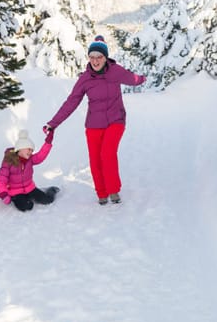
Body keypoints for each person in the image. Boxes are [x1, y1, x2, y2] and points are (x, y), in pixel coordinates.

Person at [43, 35, 146, 205]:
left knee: (107, 153)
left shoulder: (116, 71)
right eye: (92, 57)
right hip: (94, 124)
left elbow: (133, 79)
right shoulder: (85, 78)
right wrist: (53, 123)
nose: (95, 61)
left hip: (116, 120)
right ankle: (102, 193)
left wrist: (143, 78)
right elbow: (71, 102)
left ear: (106, 58)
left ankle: (113, 190)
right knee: (95, 159)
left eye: (99, 57)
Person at [0, 129, 59, 212]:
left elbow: (40, 156)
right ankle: (20, 198)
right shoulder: (8, 162)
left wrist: (48, 142)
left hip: (29, 188)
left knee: (47, 200)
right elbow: (1, 179)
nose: (31, 151)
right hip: (15, 192)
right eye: (28, 149)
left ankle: (50, 190)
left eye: (32, 150)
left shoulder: (30, 159)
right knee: (27, 206)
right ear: (20, 148)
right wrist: (3, 194)